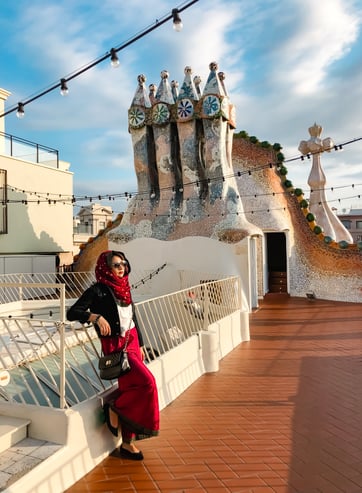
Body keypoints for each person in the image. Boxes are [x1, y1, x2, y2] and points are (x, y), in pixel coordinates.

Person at [67, 250, 159, 460]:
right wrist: (95, 317)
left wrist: (142, 344)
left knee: (132, 387)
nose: (121, 268)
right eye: (116, 265)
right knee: (148, 383)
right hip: (116, 346)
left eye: (124, 264)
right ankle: (116, 408)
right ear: (106, 268)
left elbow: (133, 317)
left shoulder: (125, 288)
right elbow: (72, 312)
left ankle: (127, 443)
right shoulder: (98, 290)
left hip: (133, 342)